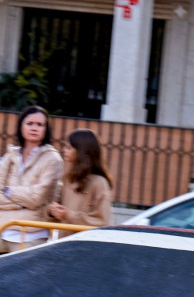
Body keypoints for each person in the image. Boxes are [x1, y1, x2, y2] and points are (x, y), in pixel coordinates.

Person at [0, 105, 64, 253]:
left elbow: (37, 198)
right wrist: (23, 203)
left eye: (40, 125)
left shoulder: (52, 159)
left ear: (46, 129)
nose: (34, 128)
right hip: (3, 227)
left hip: (31, 235)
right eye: (30, 124)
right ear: (21, 127)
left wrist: (8, 191)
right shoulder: (11, 155)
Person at [46, 128, 113, 235]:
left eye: (69, 147)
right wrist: (52, 211)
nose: (64, 150)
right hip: (65, 243)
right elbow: (58, 212)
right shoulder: (69, 178)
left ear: (81, 151)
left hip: (86, 245)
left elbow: (102, 221)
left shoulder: (99, 182)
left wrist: (68, 215)